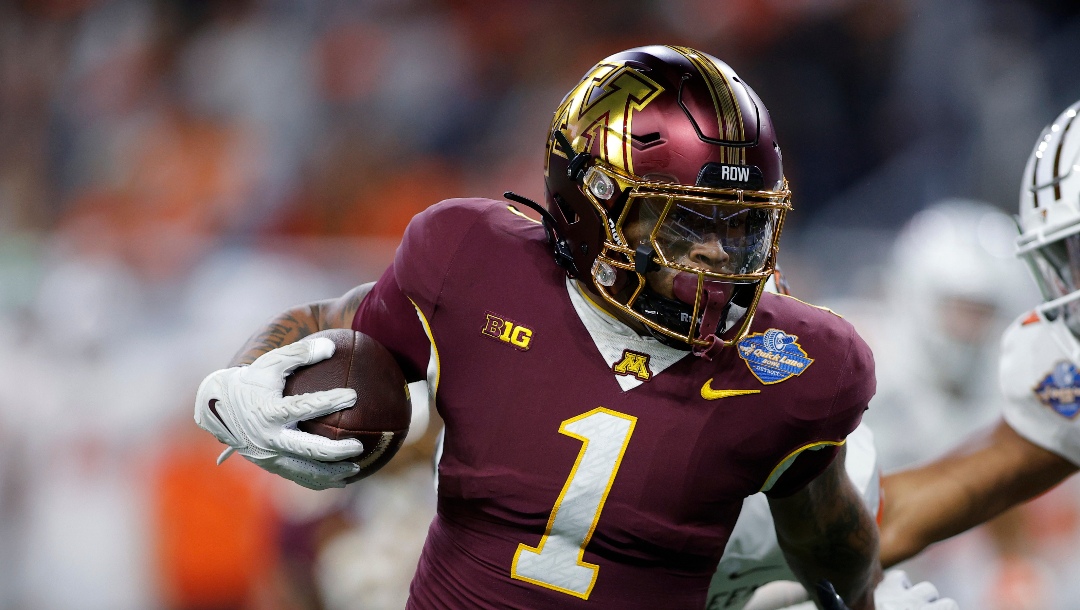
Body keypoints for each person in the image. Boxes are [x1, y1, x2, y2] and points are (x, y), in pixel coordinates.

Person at [193, 45, 941, 609]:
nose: (719, 256)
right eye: (688, 224)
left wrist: (863, 600)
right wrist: (248, 372)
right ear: (591, 205)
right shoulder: (472, 259)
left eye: (740, 227)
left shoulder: (803, 364)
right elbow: (332, 326)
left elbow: (824, 531)